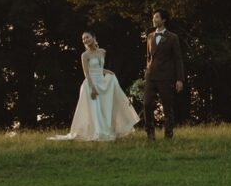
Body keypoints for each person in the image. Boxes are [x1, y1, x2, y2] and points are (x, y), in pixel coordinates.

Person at [49, 31, 138, 141]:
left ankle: (107, 130)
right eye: (83, 39)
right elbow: (87, 72)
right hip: (90, 85)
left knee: (103, 108)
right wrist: (92, 88)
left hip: (102, 83)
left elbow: (98, 68)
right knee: (94, 109)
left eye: (87, 37)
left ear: (94, 37)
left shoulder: (102, 51)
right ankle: (98, 133)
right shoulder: (85, 55)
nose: (85, 40)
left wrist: (107, 71)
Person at [144, 9, 185, 141]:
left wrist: (180, 79)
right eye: (153, 17)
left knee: (167, 106)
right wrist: (147, 72)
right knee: (147, 104)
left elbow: (178, 59)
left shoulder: (172, 37)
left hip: (166, 77)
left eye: (156, 17)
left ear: (163, 20)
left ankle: (168, 134)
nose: (154, 19)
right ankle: (150, 134)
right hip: (151, 77)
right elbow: (149, 57)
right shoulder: (149, 36)